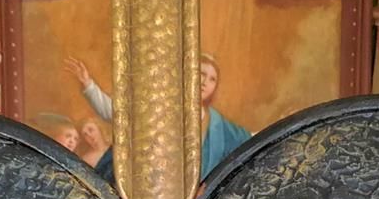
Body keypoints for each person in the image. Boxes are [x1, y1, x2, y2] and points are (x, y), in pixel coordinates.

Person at [63, 51, 251, 179]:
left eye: (212, 79)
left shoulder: (217, 124)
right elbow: (116, 113)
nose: (204, 82)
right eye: (200, 73)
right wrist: (88, 85)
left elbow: (248, 140)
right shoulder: (159, 107)